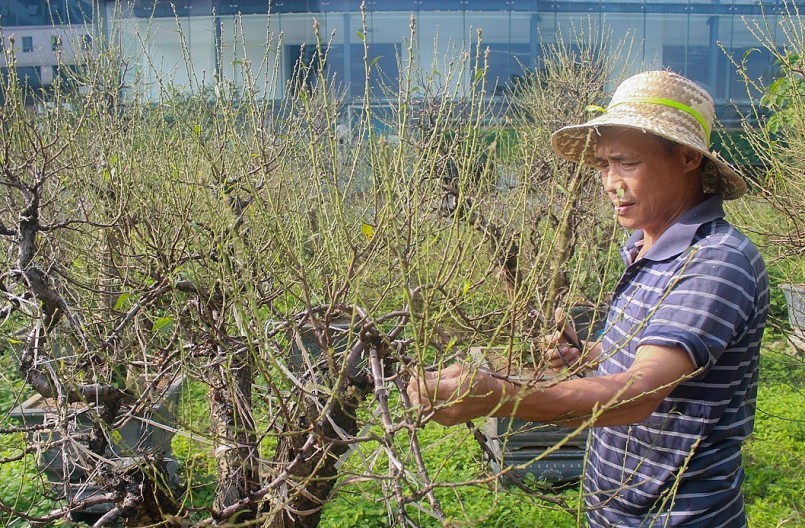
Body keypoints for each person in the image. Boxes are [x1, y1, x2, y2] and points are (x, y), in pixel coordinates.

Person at [408, 70, 769, 527]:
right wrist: (590, 356)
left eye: (626, 163)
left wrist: (498, 397)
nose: (609, 182)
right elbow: (649, 363)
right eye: (603, 165)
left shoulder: (715, 261)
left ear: (686, 158)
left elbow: (643, 392)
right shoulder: (645, 247)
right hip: (618, 510)